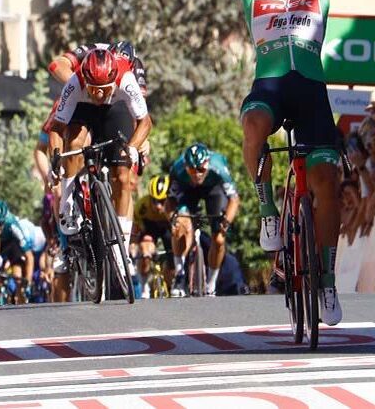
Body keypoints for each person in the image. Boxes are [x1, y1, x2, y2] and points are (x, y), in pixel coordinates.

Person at [187, 0, 360, 324]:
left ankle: (325, 280)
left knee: (327, 181)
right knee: (253, 123)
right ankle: (267, 209)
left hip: (310, 90)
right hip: (269, 86)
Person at [47, 46, 153, 300]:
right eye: (92, 88)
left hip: (114, 111)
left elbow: (145, 122)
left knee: (123, 176)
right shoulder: (76, 83)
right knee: (72, 145)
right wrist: (54, 162)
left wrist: (132, 147)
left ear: (113, 79)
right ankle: (69, 204)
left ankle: (121, 246)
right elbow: (55, 127)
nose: (97, 94)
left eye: (102, 89)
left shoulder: (126, 80)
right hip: (82, 111)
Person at [168, 143, 240, 297]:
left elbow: (234, 199)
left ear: (207, 165)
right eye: (192, 170)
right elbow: (170, 201)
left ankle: (211, 284)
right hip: (187, 190)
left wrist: (226, 221)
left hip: (213, 190)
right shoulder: (177, 169)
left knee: (219, 239)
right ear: (186, 167)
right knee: (179, 226)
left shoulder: (219, 167)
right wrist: (173, 219)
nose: (197, 174)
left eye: (201, 169)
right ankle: (180, 276)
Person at [133, 173, 174, 298]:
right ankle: (144, 285)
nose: (158, 206)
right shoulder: (142, 205)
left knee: (172, 259)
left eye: (162, 201)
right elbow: (135, 229)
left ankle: (171, 286)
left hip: (168, 226)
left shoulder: (174, 205)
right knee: (145, 250)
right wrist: (134, 246)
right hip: (150, 226)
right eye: (155, 201)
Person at [0, 200, 37, 303]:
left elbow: (29, 256)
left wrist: (28, 282)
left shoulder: (12, 224)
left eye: (0, 224)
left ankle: (20, 293)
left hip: (10, 243)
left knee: (17, 266)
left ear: (5, 220)